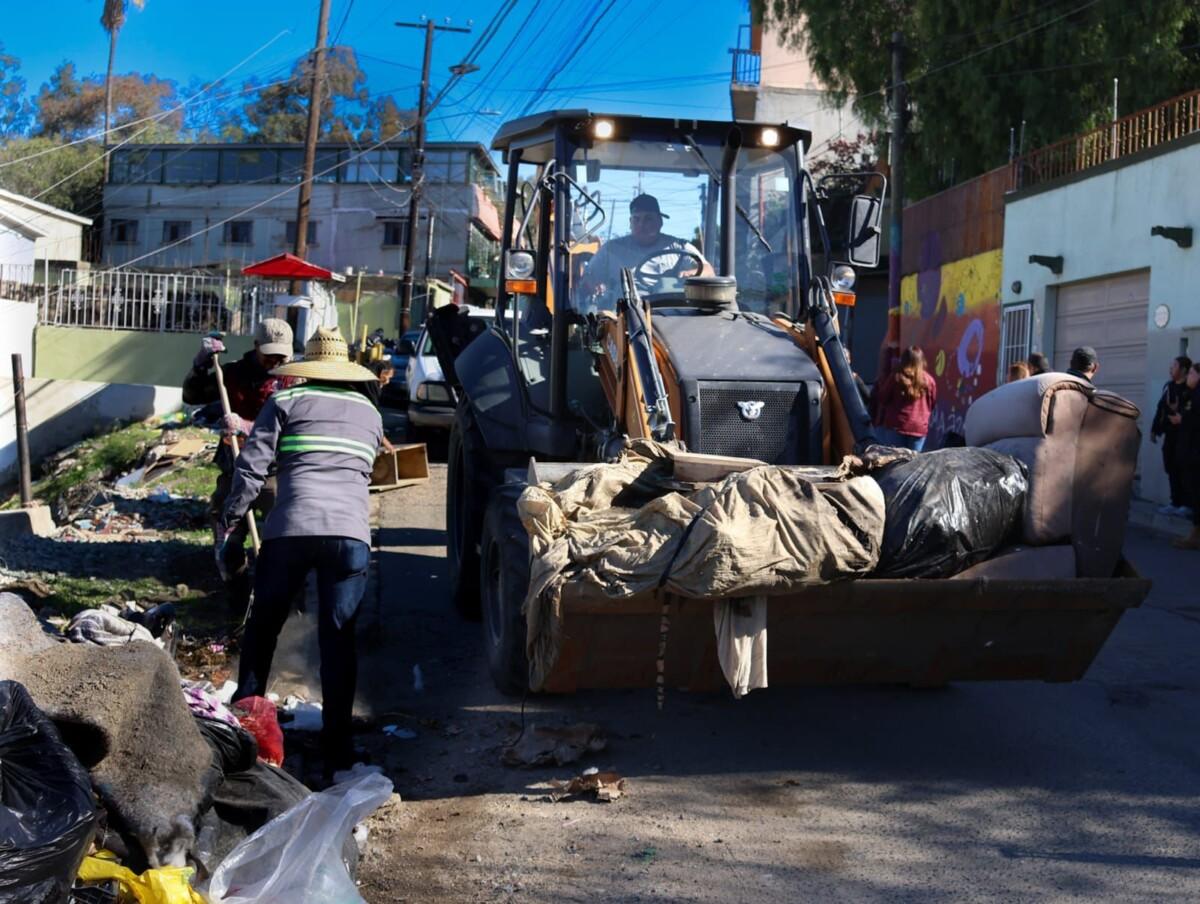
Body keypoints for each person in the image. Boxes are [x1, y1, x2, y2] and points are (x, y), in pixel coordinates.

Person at [220, 327, 382, 778]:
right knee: (338, 638)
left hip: (289, 530)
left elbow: (251, 468)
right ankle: (339, 747)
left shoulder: (285, 402)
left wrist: (231, 517)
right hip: (350, 536)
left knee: (264, 628)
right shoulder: (370, 412)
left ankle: (247, 732)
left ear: (306, 367)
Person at [182, 318, 295, 612]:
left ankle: (286, 609)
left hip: (275, 473)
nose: (276, 360)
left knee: (284, 544)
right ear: (256, 347)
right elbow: (192, 396)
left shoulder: (295, 379)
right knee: (227, 542)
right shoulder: (231, 373)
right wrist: (200, 364)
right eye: (270, 353)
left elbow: (295, 426)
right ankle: (239, 603)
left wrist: (248, 426)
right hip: (235, 469)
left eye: (282, 354)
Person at [578, 194, 713, 305]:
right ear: (630, 223)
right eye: (636, 219)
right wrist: (591, 284)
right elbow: (587, 280)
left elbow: (708, 271)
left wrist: (693, 273)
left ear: (660, 222)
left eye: (648, 218)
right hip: (621, 321)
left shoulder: (679, 247)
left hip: (671, 317)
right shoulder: (611, 250)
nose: (641, 224)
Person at [1151, 355, 1193, 515]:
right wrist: (1155, 429)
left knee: (1183, 468)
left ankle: (1187, 504)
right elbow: (1161, 408)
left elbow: (1191, 411)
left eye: (1174, 366)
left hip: (1184, 437)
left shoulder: (1189, 389)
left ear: (1183, 370)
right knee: (1171, 466)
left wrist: (1178, 411)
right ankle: (1174, 502)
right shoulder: (1168, 386)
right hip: (1170, 435)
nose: (1171, 368)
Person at [874, 345, 937, 451]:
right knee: (915, 463)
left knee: (896, 462)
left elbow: (883, 398)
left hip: (897, 425)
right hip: (919, 427)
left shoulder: (896, 377)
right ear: (921, 360)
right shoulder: (929, 380)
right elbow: (932, 403)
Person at [1167, 361, 1200, 549]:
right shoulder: (1190, 393)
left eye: (1192, 374)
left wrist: (1182, 419)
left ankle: (1195, 537)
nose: (1189, 378)